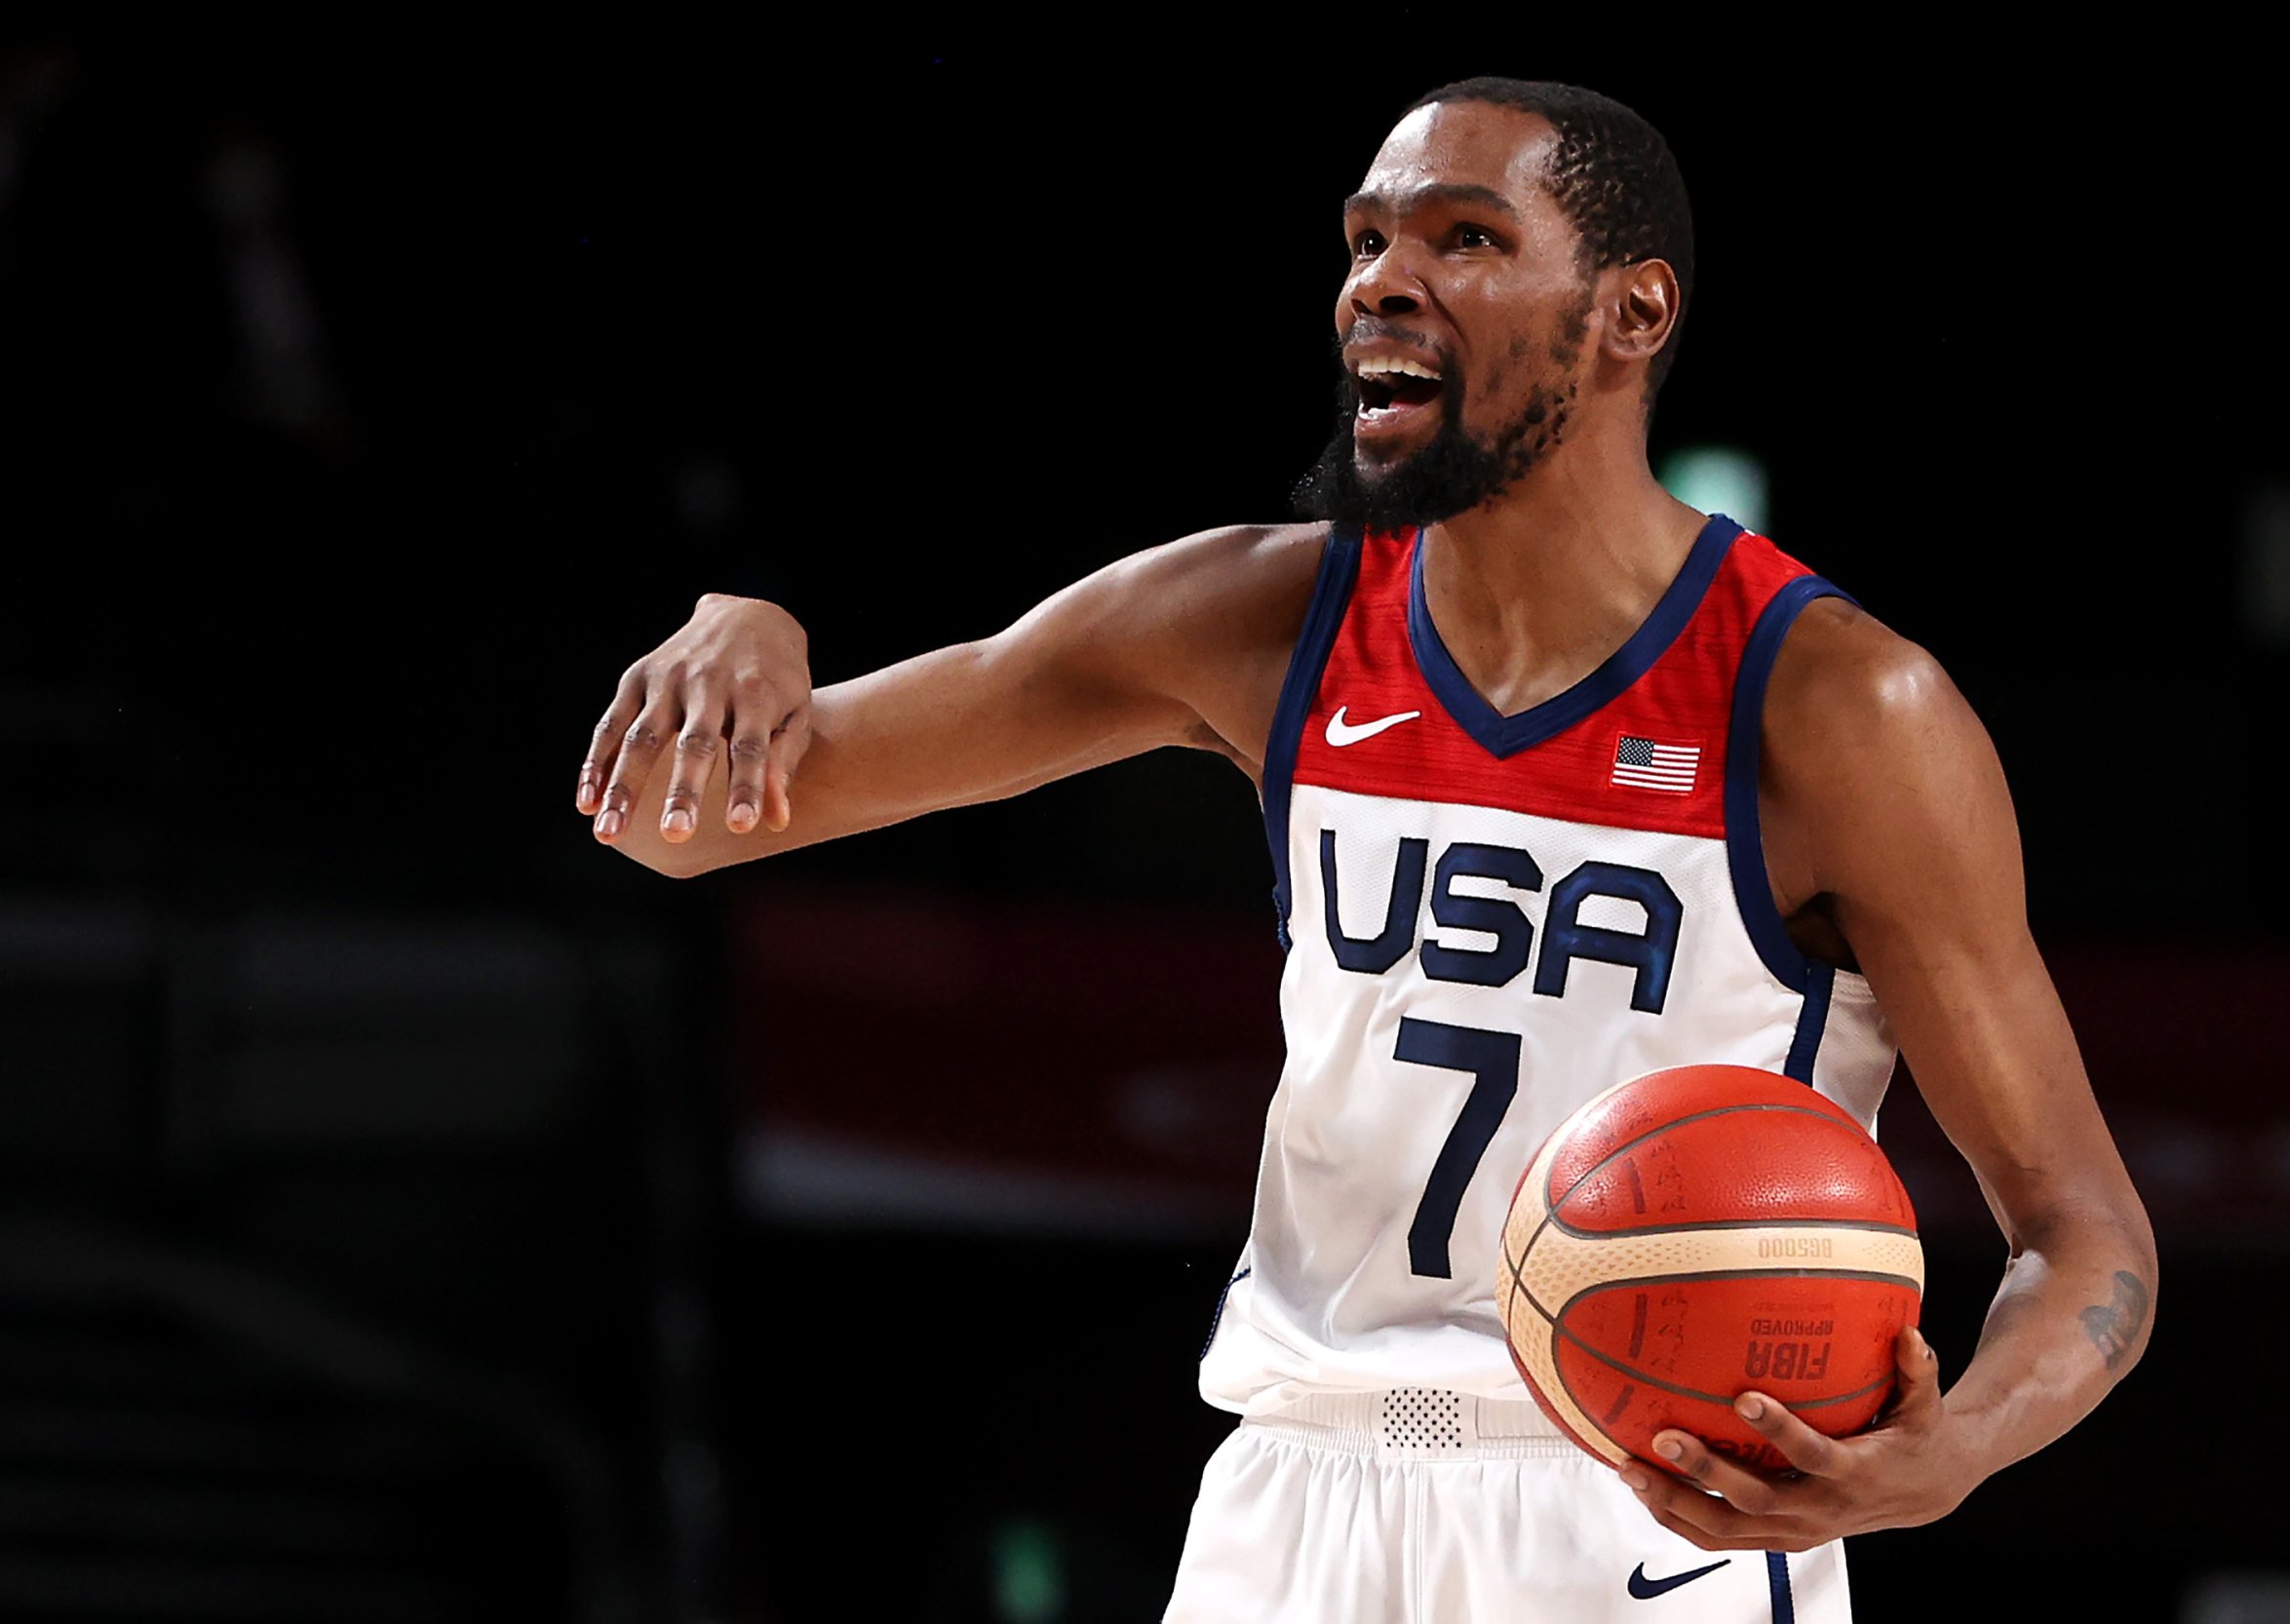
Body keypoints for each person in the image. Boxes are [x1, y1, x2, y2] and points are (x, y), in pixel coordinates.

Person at [573, 76, 2156, 1623]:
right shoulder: (1264, 616)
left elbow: (2086, 1230)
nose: (1381, 282)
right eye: (1363, 240)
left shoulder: (1835, 707)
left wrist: (1950, 1451)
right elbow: (673, 832)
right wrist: (750, 626)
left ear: (1633, 311)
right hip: (1293, 1491)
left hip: (1643, 1503)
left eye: (1463, 238)